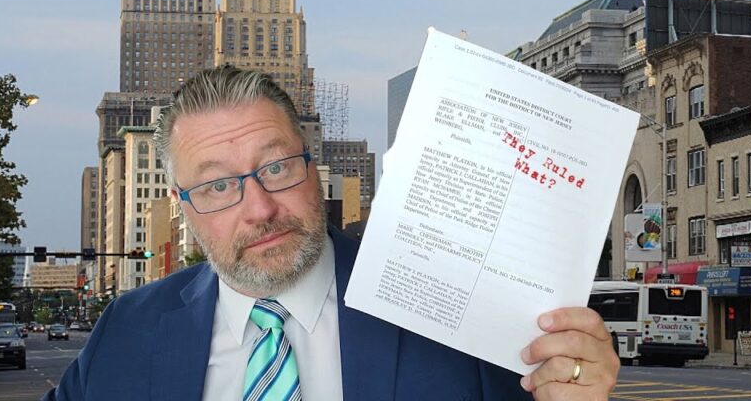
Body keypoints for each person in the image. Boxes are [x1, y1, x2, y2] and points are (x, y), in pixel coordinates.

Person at [44, 66, 619, 400]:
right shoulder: (128, 330)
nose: (260, 208)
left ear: (312, 169)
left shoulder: (453, 315)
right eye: (218, 187)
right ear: (184, 208)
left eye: (276, 167)